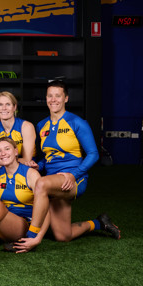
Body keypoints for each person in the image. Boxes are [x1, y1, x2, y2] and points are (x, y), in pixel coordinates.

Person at [16, 81, 120, 252]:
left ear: (66, 98)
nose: (53, 99)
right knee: (63, 236)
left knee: (41, 184)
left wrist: (74, 175)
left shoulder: (77, 122)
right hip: (53, 180)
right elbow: (47, 158)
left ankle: (31, 236)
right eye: (50, 95)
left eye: (58, 95)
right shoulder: (42, 125)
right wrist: (37, 165)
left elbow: (93, 154)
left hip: (73, 179)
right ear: (46, 98)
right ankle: (100, 223)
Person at [0, 91, 37, 171]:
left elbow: (26, 160)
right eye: (0, 105)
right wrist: (5, 163)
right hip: (5, 170)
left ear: (14, 107)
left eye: (8, 104)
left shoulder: (26, 127)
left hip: (26, 170)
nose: (4, 108)